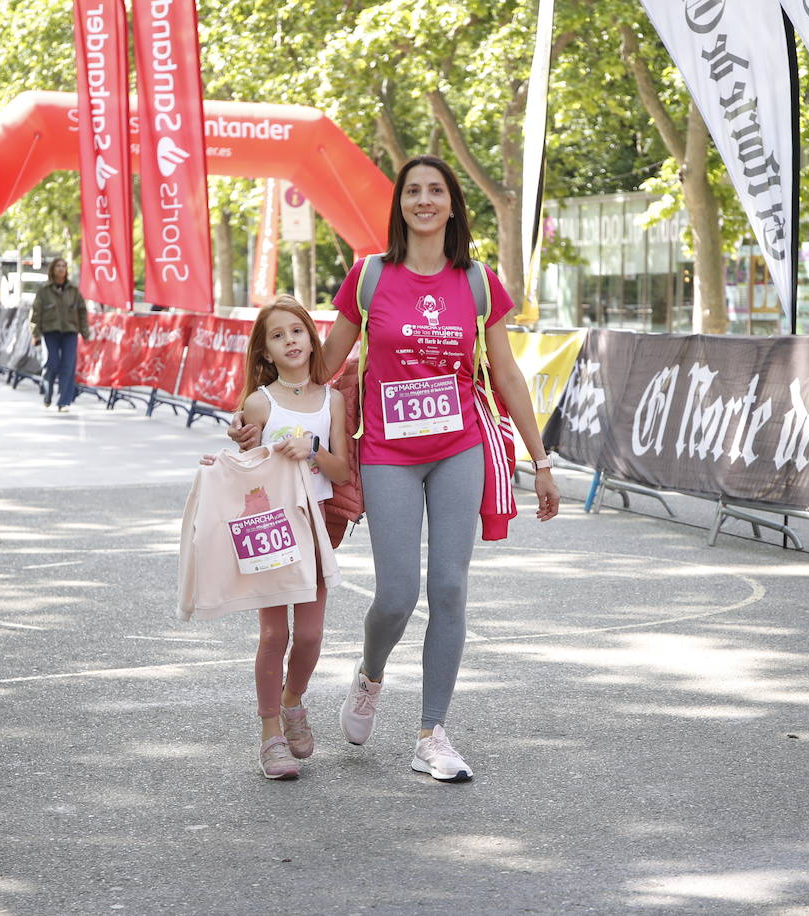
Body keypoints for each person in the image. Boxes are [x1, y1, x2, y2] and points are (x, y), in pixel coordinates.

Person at [230, 155, 561, 781]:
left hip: (458, 446)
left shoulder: (479, 283)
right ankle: (370, 674)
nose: (425, 200)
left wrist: (538, 459)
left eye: (437, 190)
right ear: (400, 204)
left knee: (451, 588)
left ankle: (432, 732)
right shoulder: (370, 277)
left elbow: (508, 375)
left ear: (453, 204)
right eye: (414, 191)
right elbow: (322, 365)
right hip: (387, 454)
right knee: (397, 595)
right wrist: (264, 416)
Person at [207, 296, 351, 779]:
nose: (290, 340)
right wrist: (232, 453)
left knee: (310, 635)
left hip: (316, 526)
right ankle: (271, 735)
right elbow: (245, 462)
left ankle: (293, 701)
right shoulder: (259, 402)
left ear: (313, 339)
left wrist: (311, 450)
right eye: (277, 335)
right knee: (275, 633)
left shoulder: (332, 400)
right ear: (265, 352)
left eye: (297, 331)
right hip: (269, 528)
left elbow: (342, 468)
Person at [30, 258, 90, 412]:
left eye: (63, 266)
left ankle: (64, 401)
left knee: (68, 366)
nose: (61, 269)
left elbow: (82, 311)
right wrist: (35, 333)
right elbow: (36, 313)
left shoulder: (73, 290)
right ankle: (47, 392)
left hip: (70, 331)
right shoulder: (44, 290)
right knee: (52, 363)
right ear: (52, 269)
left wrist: (85, 332)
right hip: (51, 331)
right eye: (58, 266)